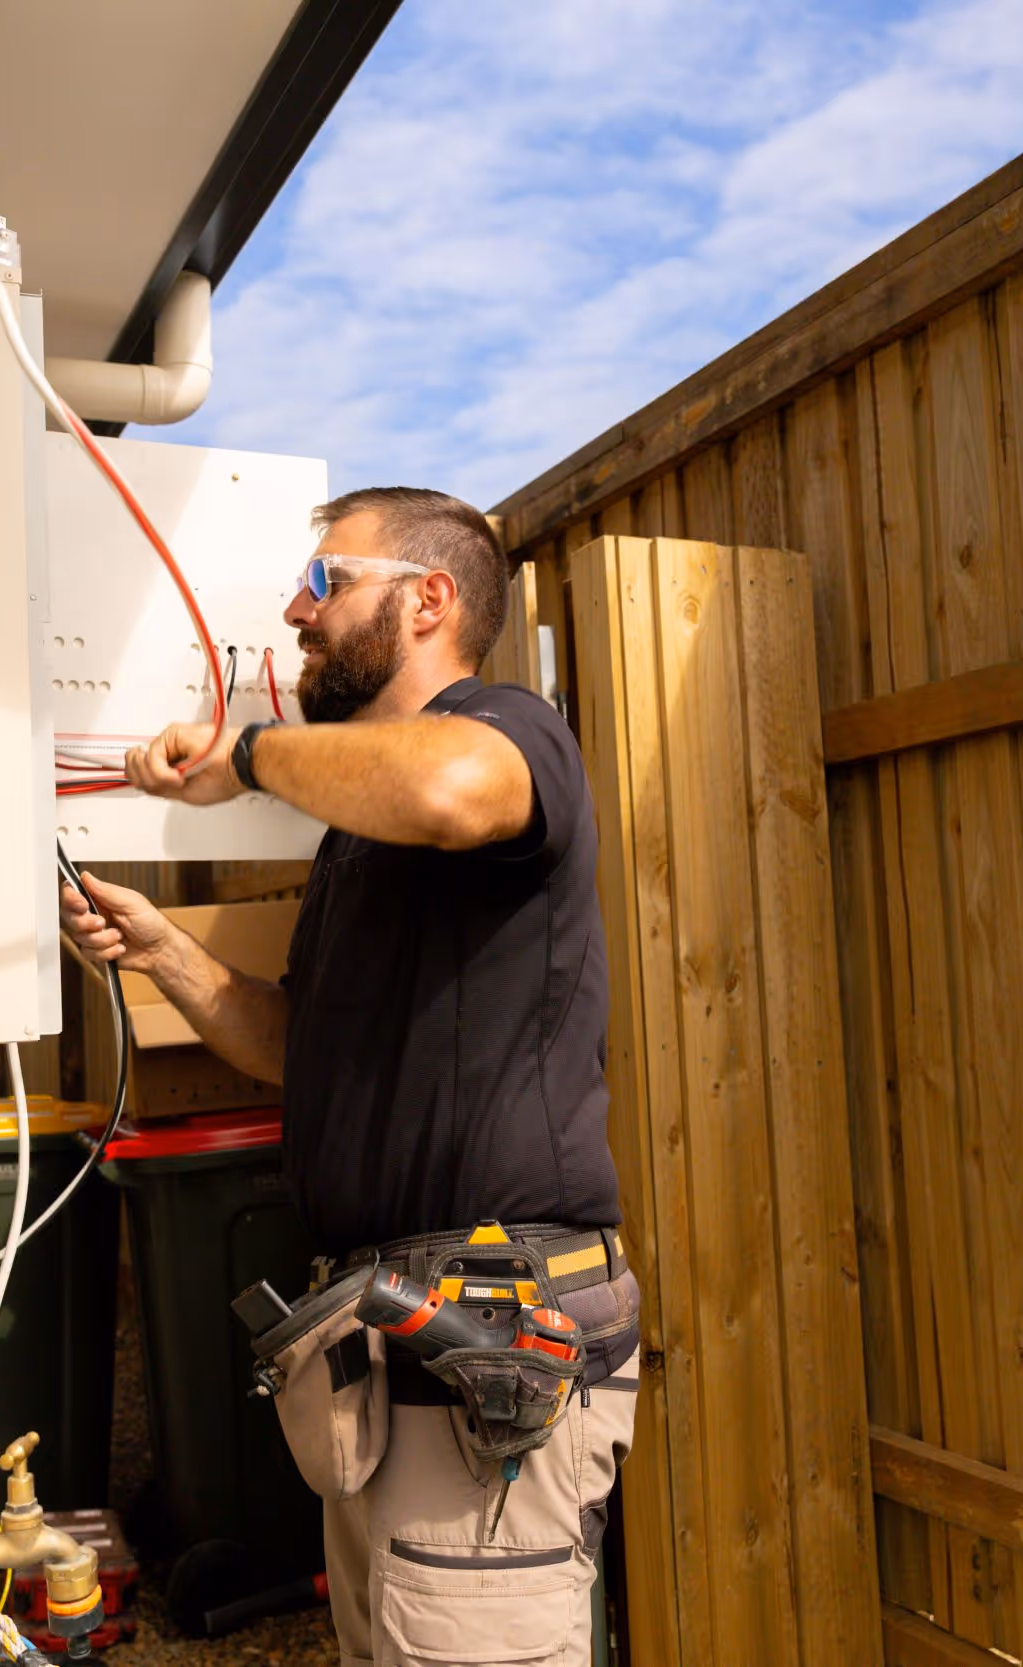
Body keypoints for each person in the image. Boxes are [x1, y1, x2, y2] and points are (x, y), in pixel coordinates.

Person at [60, 487, 638, 1667]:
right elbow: (293, 1050)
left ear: (428, 599)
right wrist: (163, 949)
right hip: (393, 1354)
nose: (293, 611)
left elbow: (445, 785)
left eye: (322, 583)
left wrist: (249, 759)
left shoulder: (511, 731)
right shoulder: (360, 838)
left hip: (484, 1346)